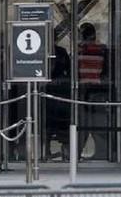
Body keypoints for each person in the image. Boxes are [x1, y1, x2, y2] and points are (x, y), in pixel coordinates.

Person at [77, 22, 108, 160]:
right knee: (97, 123)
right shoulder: (102, 49)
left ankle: (76, 153)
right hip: (99, 89)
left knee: (83, 123)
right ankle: (102, 152)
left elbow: (76, 70)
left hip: (83, 90)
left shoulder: (80, 50)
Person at [47, 44, 71, 160]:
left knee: (62, 122)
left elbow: (68, 69)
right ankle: (45, 150)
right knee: (48, 122)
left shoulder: (61, 51)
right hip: (47, 91)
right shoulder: (43, 50)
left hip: (60, 91)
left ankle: (66, 151)